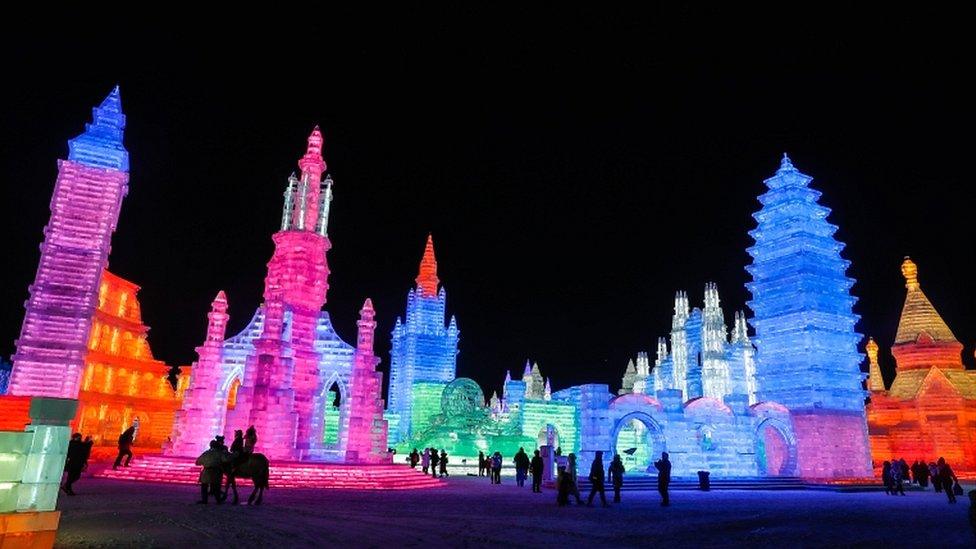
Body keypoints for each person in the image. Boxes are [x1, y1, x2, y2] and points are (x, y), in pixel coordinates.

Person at [195, 440, 227, 504]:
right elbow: (225, 459)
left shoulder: (206, 453)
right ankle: (218, 500)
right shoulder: (219, 453)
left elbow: (197, 462)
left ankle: (204, 500)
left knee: (204, 486)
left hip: (206, 472)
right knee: (216, 486)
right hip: (216, 472)